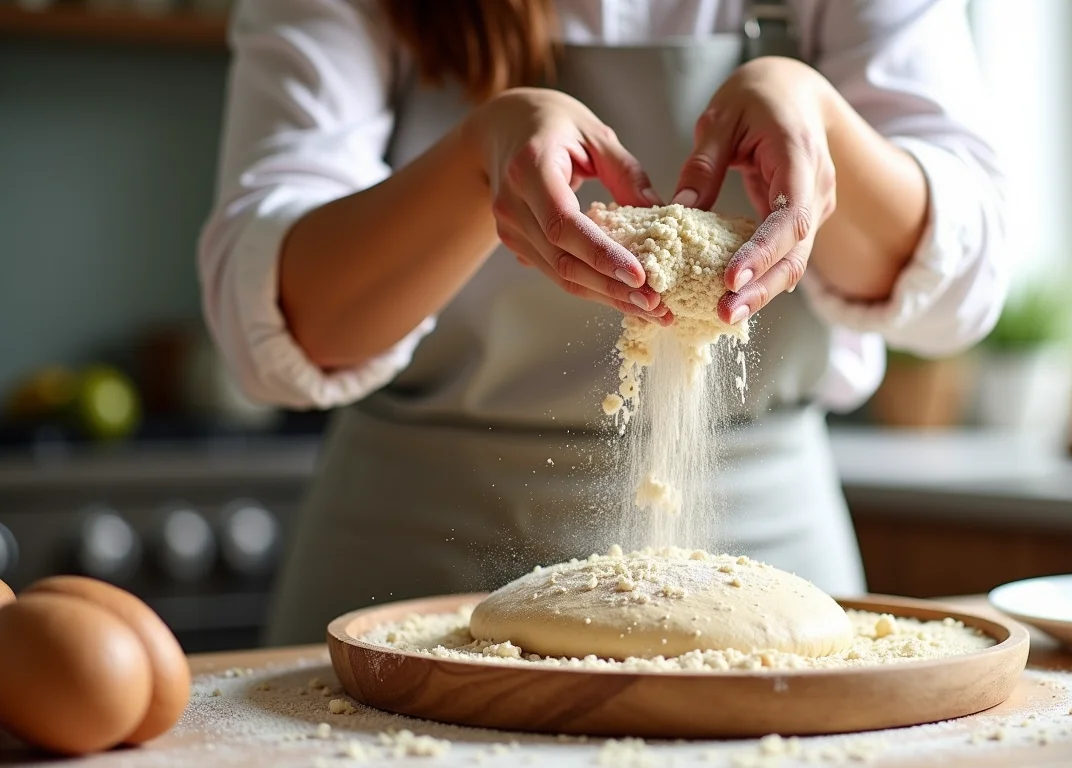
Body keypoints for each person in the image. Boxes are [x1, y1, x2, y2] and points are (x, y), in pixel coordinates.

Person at [199, 0, 1007, 646]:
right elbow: (286, 327)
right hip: (413, 567)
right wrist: (478, 160)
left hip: (765, 566)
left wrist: (820, 121)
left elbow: (958, 290)